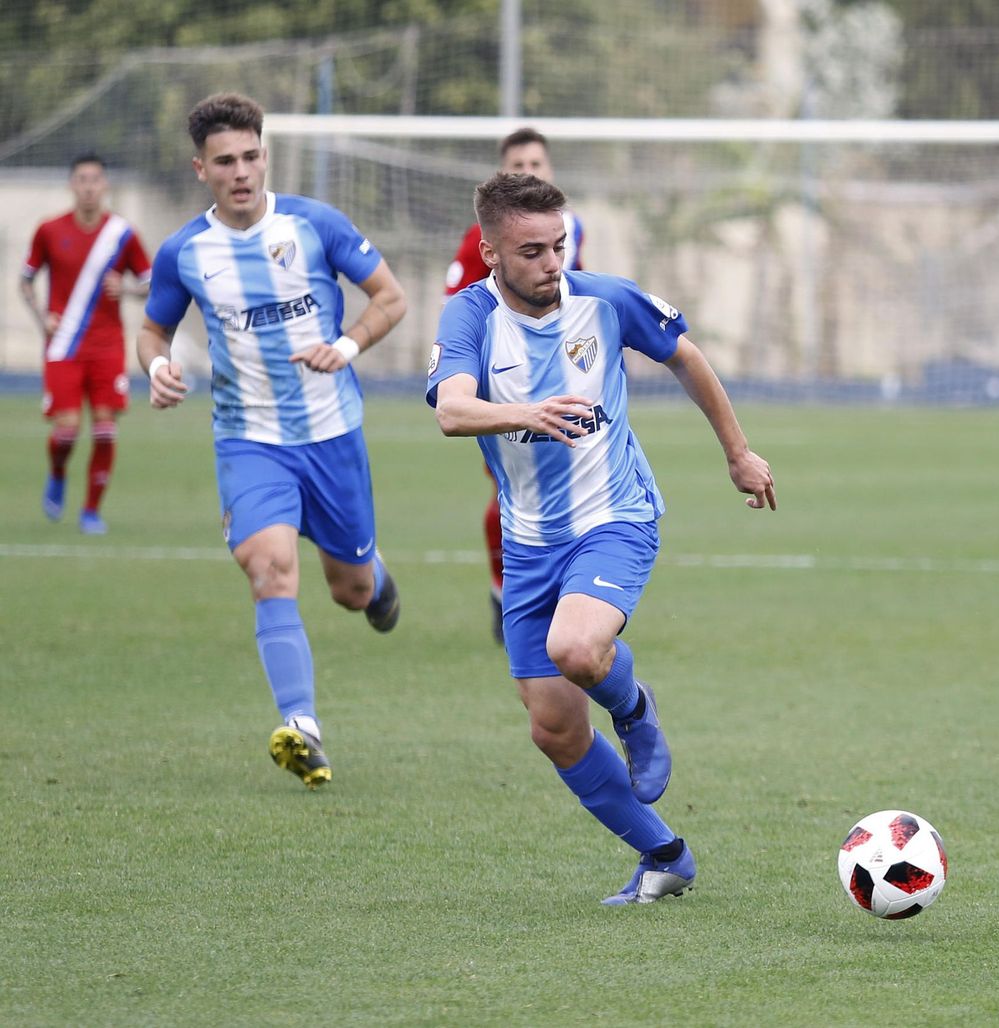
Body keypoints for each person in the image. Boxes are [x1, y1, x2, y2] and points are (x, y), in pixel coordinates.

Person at [427, 173, 775, 904]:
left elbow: (685, 354)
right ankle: (665, 855)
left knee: (578, 650)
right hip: (529, 544)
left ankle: (635, 709)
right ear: (490, 252)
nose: (552, 263)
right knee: (553, 729)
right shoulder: (467, 319)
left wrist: (738, 453)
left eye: (559, 245)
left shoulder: (605, 299)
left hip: (617, 516)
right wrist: (524, 411)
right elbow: (452, 412)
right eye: (531, 251)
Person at [136, 93, 408, 790]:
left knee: (349, 592)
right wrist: (159, 368)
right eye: (225, 161)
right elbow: (153, 330)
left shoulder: (315, 225)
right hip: (248, 440)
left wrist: (346, 345)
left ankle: (374, 578)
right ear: (202, 168)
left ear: (266, 156)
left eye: (252, 156)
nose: (241, 172)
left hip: (332, 436)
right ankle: (302, 727)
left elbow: (391, 298)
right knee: (269, 569)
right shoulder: (184, 252)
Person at [443, 128, 587, 646]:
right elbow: (459, 307)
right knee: (513, 487)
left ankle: (579, 591)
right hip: (506, 388)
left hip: (566, 380)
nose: (531, 170)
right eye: (519, 163)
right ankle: (505, 590)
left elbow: (582, 294)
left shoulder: (573, 229)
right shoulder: (482, 244)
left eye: (538, 162)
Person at [21, 154, 152, 534]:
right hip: (63, 345)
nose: (89, 186)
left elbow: (149, 283)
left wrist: (125, 288)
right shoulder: (49, 230)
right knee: (66, 430)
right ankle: (58, 472)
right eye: (82, 179)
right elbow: (25, 280)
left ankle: (91, 511)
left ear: (105, 185)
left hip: (107, 346)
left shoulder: (122, 234)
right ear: (71, 184)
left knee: (105, 430)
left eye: (96, 179)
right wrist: (41, 316)